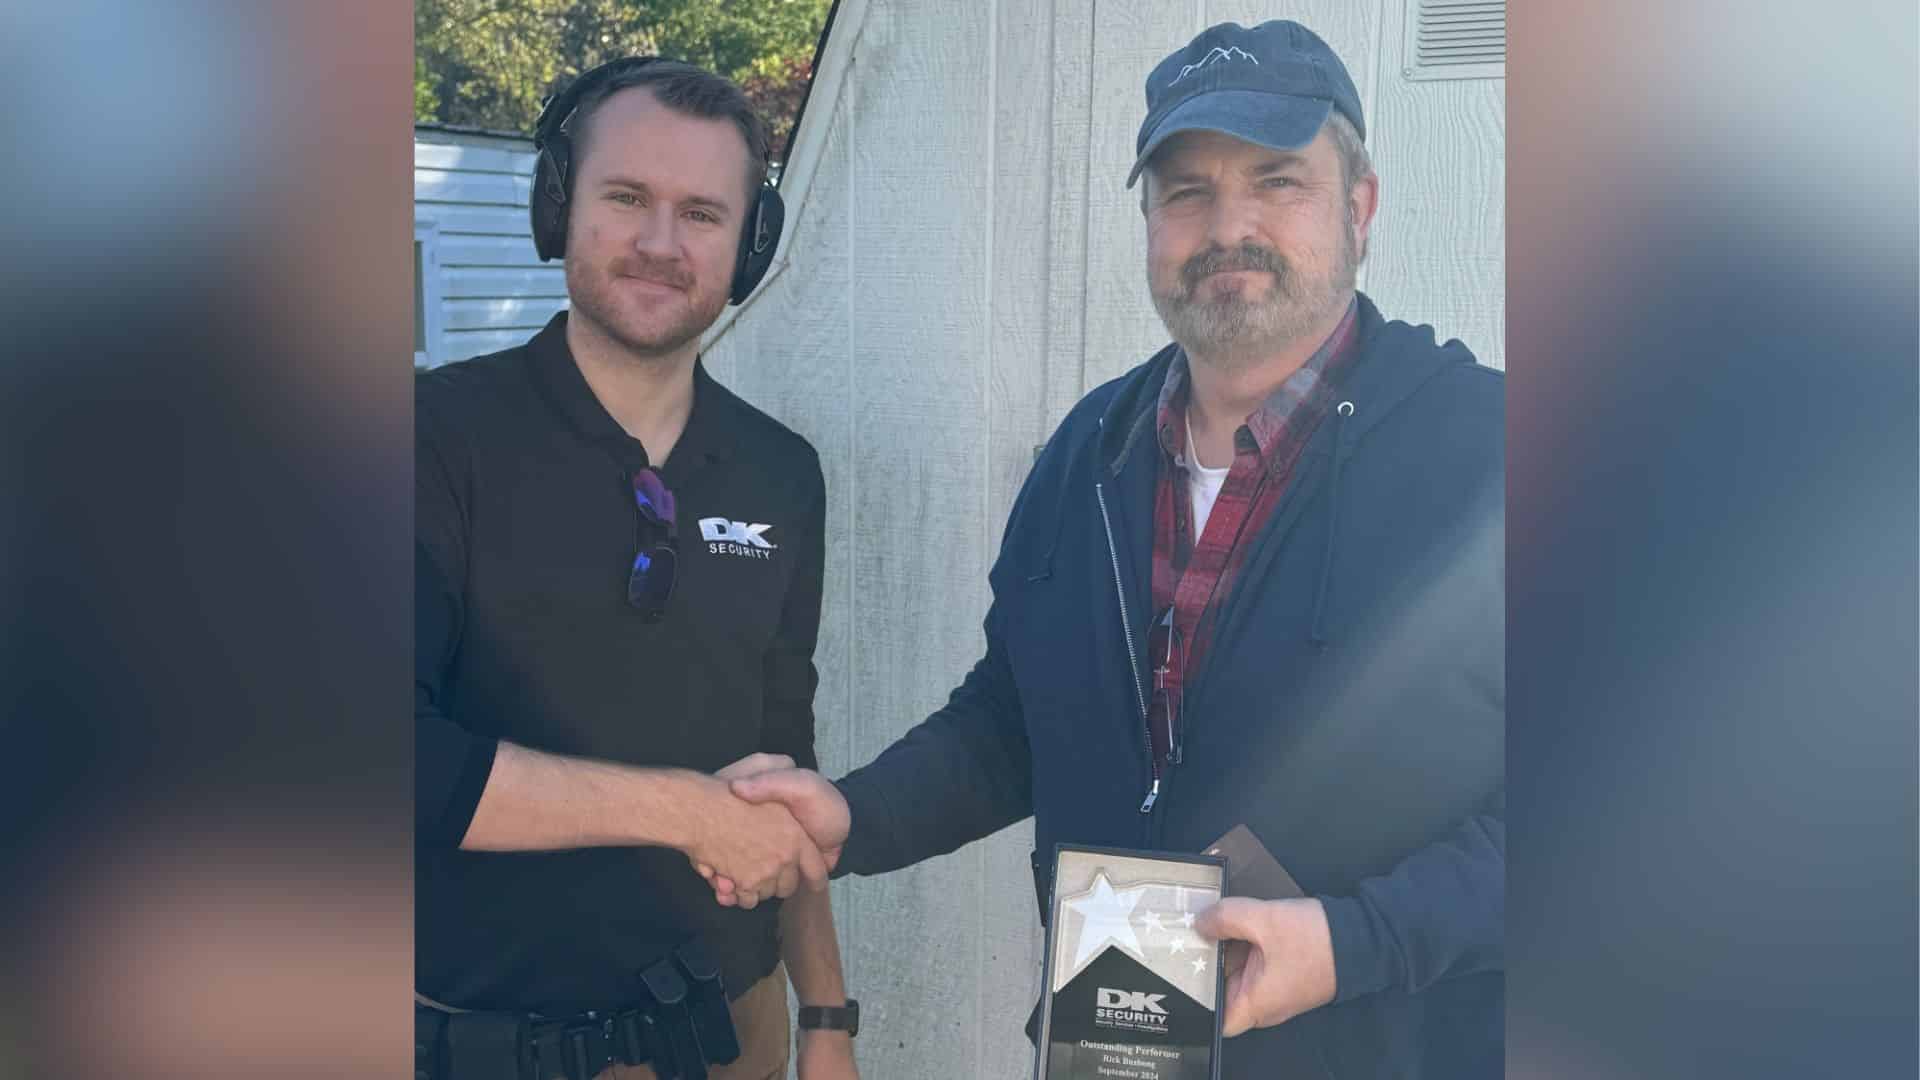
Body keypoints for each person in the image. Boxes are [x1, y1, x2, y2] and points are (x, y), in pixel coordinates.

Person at [708, 20, 1503, 1077]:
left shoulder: (1493, 456)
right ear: (1146, 218)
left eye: (1278, 182)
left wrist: (1354, 945)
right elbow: (1012, 720)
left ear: (1359, 206)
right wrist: (854, 815)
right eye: (1186, 191)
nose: (1230, 226)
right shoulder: (1092, 451)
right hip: (1123, 1047)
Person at [416, 58, 858, 1080]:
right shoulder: (432, 440)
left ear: (750, 245)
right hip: (494, 1048)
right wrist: (683, 810)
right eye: (627, 198)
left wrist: (827, 1017)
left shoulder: (782, 473)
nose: (662, 244)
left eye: (703, 213)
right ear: (559, 206)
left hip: (730, 1035)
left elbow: (783, 756)